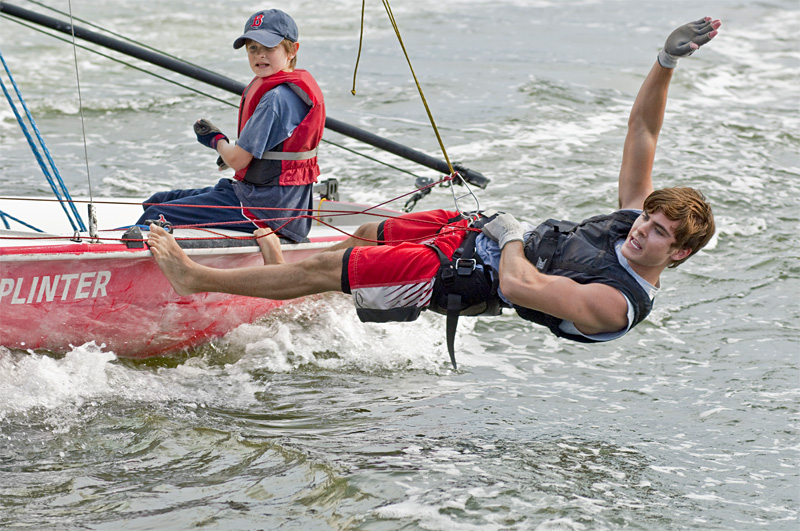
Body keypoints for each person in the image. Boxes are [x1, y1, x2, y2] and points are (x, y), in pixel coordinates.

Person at [147, 18, 720, 367]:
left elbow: (522, 284)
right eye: (647, 219)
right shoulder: (632, 222)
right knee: (370, 230)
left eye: (658, 234)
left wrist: (509, 230)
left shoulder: (616, 305)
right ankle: (294, 282)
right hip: (476, 233)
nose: (642, 229)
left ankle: (200, 278)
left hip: (458, 273)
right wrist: (665, 60)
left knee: (333, 266)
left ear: (680, 254)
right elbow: (642, 132)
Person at [136, 9, 326, 242]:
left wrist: (216, 140)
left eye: (269, 47)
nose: (260, 55)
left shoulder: (276, 98)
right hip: (277, 203)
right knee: (157, 201)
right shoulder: (284, 90)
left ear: (292, 50)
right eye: (253, 48)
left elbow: (238, 160)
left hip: (266, 210)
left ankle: (124, 262)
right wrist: (229, 154)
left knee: (157, 214)